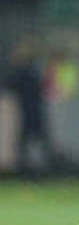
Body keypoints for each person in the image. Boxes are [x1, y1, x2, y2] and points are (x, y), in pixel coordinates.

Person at [5, 37, 56, 175]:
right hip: (33, 110)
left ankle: (28, 169)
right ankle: (42, 168)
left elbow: (9, 87)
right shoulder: (33, 71)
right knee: (36, 141)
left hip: (30, 111)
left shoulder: (23, 72)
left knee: (29, 142)